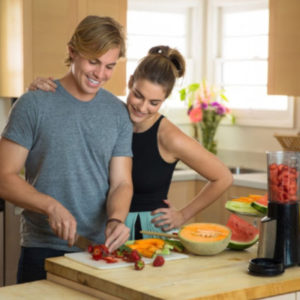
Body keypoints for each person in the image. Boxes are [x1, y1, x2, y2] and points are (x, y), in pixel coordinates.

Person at [28, 45, 233, 241]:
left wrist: (182, 215)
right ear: (130, 82)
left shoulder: (170, 137)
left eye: (154, 103)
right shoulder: (111, 114)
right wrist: (41, 90)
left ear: (164, 100)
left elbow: (223, 177)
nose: (142, 108)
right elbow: (74, 99)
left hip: (147, 232)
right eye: (138, 95)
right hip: (99, 229)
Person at [0, 15, 133, 283]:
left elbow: (121, 182)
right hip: (42, 249)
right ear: (72, 51)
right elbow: (4, 177)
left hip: (97, 251)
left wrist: (117, 220)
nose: (100, 74)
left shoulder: (118, 113)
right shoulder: (34, 104)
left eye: (109, 66)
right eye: (93, 61)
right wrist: (50, 206)